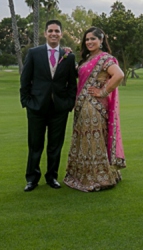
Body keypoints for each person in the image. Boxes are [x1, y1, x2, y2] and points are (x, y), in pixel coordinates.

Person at [64, 27, 126, 192]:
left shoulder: (105, 59)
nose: (89, 42)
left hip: (94, 106)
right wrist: (67, 54)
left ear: (101, 41)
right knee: (84, 140)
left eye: (93, 39)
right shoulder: (86, 59)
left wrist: (103, 91)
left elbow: (119, 75)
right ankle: (84, 174)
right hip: (82, 106)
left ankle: (98, 177)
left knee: (93, 140)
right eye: (87, 39)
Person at [20, 20, 77, 192]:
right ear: (45, 33)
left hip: (59, 109)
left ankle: (52, 177)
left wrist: (68, 103)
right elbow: (25, 80)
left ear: (61, 34)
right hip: (37, 108)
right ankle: (32, 179)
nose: (54, 33)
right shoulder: (34, 53)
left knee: (55, 146)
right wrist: (27, 102)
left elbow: (71, 84)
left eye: (57, 31)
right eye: (50, 31)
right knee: (35, 145)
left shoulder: (68, 56)